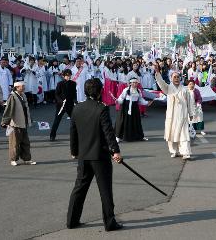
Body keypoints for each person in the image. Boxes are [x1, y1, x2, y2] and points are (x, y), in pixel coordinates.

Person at [67, 78, 123, 231]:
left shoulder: (77, 108)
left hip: (83, 156)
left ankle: (71, 220)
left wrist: (74, 151)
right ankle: (109, 222)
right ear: (99, 92)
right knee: (105, 190)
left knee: (79, 188)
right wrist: (115, 151)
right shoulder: (101, 109)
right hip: (100, 156)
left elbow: (73, 133)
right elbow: (108, 133)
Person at [154, 65, 195, 160]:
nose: (176, 79)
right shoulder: (168, 88)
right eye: (174, 77)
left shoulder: (185, 89)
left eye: (178, 77)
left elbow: (190, 102)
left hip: (182, 116)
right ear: (171, 78)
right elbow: (161, 83)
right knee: (171, 134)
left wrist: (191, 114)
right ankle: (174, 151)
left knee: (184, 134)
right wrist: (158, 73)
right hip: (171, 116)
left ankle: (185, 152)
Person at [1, 82, 36, 166]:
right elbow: (8, 110)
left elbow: (26, 109)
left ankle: (27, 159)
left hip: (23, 122)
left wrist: (29, 119)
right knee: (14, 143)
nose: (24, 87)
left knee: (25, 142)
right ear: (17, 87)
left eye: (24, 86)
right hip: (15, 123)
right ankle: (13, 159)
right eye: (22, 86)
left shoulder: (23, 95)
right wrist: (5, 122)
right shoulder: (12, 96)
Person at [114, 78, 150, 142]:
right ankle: (118, 137)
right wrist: (118, 101)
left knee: (136, 122)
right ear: (130, 83)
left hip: (135, 108)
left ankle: (139, 136)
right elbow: (121, 98)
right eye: (133, 82)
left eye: (136, 82)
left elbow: (140, 100)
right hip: (126, 107)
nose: (134, 84)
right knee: (123, 122)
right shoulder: (126, 90)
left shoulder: (138, 90)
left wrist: (147, 103)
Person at [50, 69, 77, 141]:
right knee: (57, 120)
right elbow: (56, 94)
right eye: (67, 76)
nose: (68, 77)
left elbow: (74, 94)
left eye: (69, 75)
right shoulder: (60, 84)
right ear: (63, 76)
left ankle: (78, 134)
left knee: (75, 120)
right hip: (61, 105)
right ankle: (52, 135)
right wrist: (60, 101)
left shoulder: (73, 83)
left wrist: (75, 101)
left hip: (70, 105)